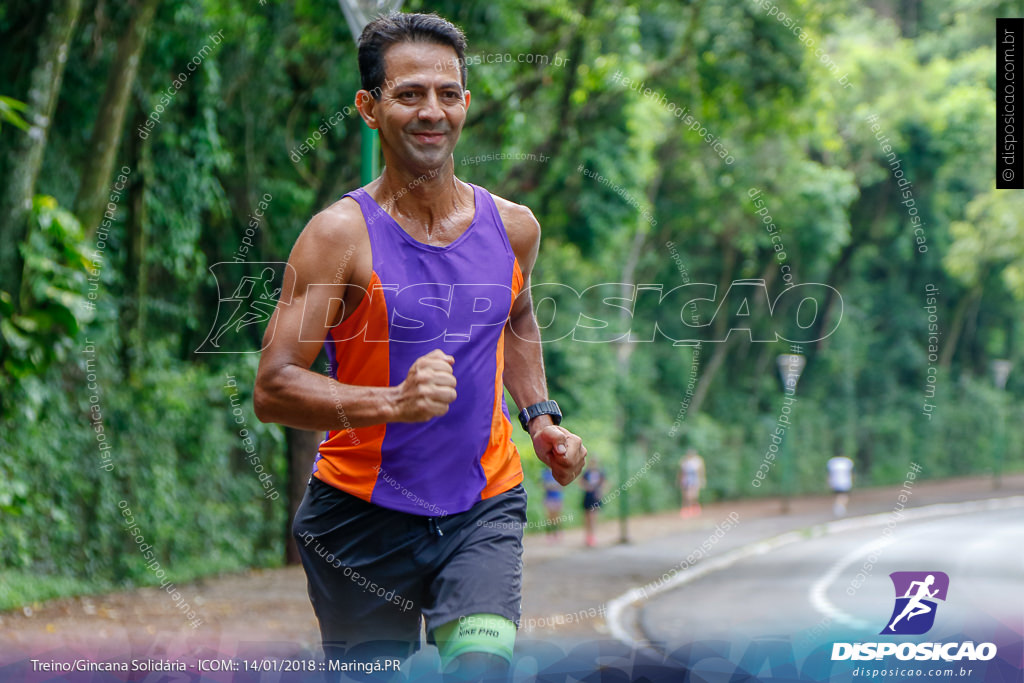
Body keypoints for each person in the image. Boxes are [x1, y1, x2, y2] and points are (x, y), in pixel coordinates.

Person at [253, 12, 587, 681]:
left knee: (482, 667)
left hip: (481, 504)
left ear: (466, 101)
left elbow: (516, 313)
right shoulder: (338, 236)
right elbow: (274, 386)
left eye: (447, 93)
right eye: (409, 95)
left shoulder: (515, 227)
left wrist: (541, 416)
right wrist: (394, 402)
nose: (432, 110)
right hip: (358, 519)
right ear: (369, 108)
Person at [580, 458, 605, 547]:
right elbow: (581, 482)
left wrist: (600, 492)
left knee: (593, 517)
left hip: (595, 498)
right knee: (587, 518)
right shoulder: (587, 473)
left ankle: (593, 536)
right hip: (588, 497)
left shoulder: (600, 473)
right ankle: (588, 536)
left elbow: (604, 484)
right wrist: (587, 486)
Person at [678, 448, 705, 518]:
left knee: (693, 495)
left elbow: (700, 472)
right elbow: (682, 472)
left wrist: (701, 480)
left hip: (694, 480)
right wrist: (680, 480)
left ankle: (694, 507)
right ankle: (687, 509)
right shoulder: (684, 461)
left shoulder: (697, 461)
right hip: (686, 480)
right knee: (686, 495)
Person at [541, 468, 564, 542]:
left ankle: (557, 533)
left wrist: (551, 486)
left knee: (557, 517)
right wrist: (553, 486)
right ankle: (549, 534)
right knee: (549, 517)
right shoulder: (545, 473)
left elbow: (561, 485)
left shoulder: (558, 472)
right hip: (549, 498)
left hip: (557, 497)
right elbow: (544, 485)